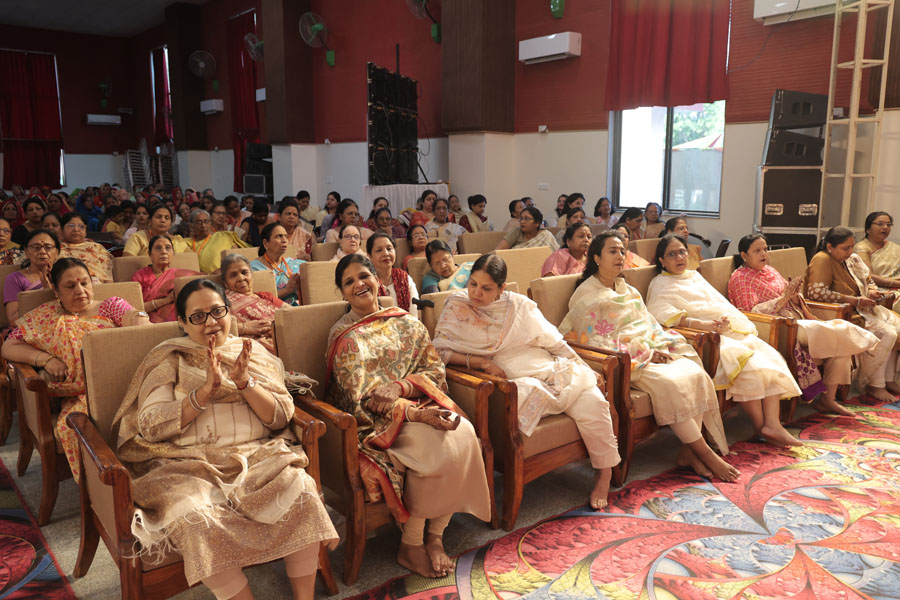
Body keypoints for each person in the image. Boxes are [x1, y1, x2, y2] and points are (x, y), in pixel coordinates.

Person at [113, 279, 338, 599]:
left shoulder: (253, 353)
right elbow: (151, 426)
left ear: (229, 312)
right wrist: (203, 393)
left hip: (258, 456)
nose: (211, 322)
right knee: (194, 519)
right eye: (198, 316)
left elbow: (279, 418)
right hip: (188, 465)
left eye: (217, 312)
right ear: (182, 323)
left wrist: (244, 383)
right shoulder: (171, 358)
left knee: (301, 492)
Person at [327, 254, 491, 578]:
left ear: (377, 279)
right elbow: (355, 398)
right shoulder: (344, 336)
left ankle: (435, 536)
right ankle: (411, 544)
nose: (359, 284)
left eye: (364, 276)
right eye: (349, 282)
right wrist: (411, 412)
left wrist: (402, 387)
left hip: (420, 403)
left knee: (464, 433)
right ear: (342, 292)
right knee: (435, 449)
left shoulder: (407, 322)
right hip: (379, 423)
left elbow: (435, 372)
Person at [432, 254, 620, 508]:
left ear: (502, 288)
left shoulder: (519, 305)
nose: (476, 293)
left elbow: (554, 342)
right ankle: (560, 399)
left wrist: (584, 367)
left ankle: (604, 473)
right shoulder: (457, 304)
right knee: (527, 392)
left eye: (486, 288)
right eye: (473, 284)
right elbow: (439, 352)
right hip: (506, 378)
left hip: (541, 364)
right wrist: (481, 363)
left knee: (593, 399)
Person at [559, 232, 737, 481]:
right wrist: (644, 354)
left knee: (695, 373)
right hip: (625, 362)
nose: (620, 256)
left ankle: (688, 452)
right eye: (612, 251)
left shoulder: (628, 290)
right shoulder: (586, 295)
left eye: (622, 251)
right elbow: (593, 340)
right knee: (672, 382)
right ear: (596, 258)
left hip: (649, 350)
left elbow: (648, 324)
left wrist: (656, 346)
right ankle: (706, 454)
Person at [647, 234, 803, 447]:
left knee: (769, 356)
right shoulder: (660, 283)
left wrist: (725, 320)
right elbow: (661, 314)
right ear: (662, 260)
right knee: (749, 365)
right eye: (672, 254)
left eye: (682, 252)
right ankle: (760, 426)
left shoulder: (694, 276)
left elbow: (718, 303)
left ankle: (773, 424)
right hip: (701, 337)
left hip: (724, 328)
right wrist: (706, 326)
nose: (679, 257)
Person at [2, 257, 149, 479]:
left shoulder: (110, 306)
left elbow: (137, 322)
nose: (80, 290)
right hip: (80, 396)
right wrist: (46, 360)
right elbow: (9, 346)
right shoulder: (45, 316)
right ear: (56, 291)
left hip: (124, 387)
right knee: (74, 427)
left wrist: (139, 317)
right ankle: (107, 485)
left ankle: (144, 476)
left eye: (84, 283)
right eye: (70, 286)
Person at [728, 233, 877, 415]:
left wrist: (794, 295)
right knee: (843, 333)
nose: (764, 254)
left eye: (765, 249)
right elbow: (750, 312)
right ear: (744, 255)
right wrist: (783, 299)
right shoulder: (740, 277)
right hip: (778, 327)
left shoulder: (770, 271)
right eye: (757, 250)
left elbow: (790, 295)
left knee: (842, 345)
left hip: (797, 319)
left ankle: (827, 400)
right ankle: (867, 340)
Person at [805, 226, 900, 403]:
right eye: (845, 248)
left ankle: (888, 380)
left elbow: (867, 280)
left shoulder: (851, 259)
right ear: (830, 247)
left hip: (861, 308)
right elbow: (816, 293)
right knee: (887, 333)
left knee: (897, 327)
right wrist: (854, 300)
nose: (850, 252)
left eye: (851, 247)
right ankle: (874, 384)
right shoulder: (822, 259)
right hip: (838, 313)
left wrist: (871, 291)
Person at [221, 253, 285, 354]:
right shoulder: (222, 303)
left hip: (283, 335)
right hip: (254, 348)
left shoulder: (265, 296)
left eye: (244, 272)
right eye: (233, 275)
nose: (241, 278)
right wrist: (245, 328)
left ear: (252, 276)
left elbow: (293, 313)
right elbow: (219, 328)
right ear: (225, 283)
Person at [132, 235, 201, 323]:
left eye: (168, 248)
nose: (164, 252)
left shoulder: (182, 275)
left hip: (180, 321)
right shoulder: (140, 276)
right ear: (149, 254)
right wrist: (165, 301)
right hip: (149, 323)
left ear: (173, 253)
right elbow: (134, 309)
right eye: (158, 248)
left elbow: (205, 282)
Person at [4, 230, 59, 325]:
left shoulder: (65, 275)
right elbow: (13, 319)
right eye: (36, 247)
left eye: (48, 247)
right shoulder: (15, 279)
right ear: (26, 252)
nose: (42, 252)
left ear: (57, 252)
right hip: (29, 329)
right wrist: (44, 295)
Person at [250, 223, 305, 306]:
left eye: (286, 236)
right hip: (274, 310)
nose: (284, 240)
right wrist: (287, 290)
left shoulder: (295, 263)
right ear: (266, 243)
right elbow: (259, 299)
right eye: (279, 236)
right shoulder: (255, 268)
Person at [367, 233, 419, 316]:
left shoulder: (404, 278)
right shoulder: (367, 283)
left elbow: (414, 312)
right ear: (369, 256)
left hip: (407, 323)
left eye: (389, 249)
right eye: (379, 250)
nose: (386, 253)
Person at [854, 211, 900, 299]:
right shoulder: (861, 248)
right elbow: (868, 276)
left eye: (888, 224)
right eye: (880, 224)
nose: (885, 227)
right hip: (876, 289)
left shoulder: (895, 248)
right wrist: (896, 284)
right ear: (868, 229)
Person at [185, 209, 247, 273]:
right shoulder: (186, 243)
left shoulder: (222, 237)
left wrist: (223, 270)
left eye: (206, 221)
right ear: (191, 225)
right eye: (199, 222)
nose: (203, 225)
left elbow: (236, 257)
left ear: (210, 223)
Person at [58, 213, 113, 283]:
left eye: (81, 226)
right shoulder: (56, 249)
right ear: (61, 230)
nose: (76, 229)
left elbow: (111, 269)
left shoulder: (96, 247)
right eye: (71, 226)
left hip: (103, 285)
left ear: (86, 231)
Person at [124, 205, 189, 256]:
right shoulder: (138, 237)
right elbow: (127, 261)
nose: (163, 220)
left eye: (167, 218)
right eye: (158, 217)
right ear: (150, 221)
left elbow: (190, 258)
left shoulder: (177, 240)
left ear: (170, 224)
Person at [495, 207, 559, 251]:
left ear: (537, 223)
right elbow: (498, 251)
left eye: (527, 219)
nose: (522, 222)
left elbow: (556, 256)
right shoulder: (516, 232)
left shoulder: (546, 236)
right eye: (521, 218)